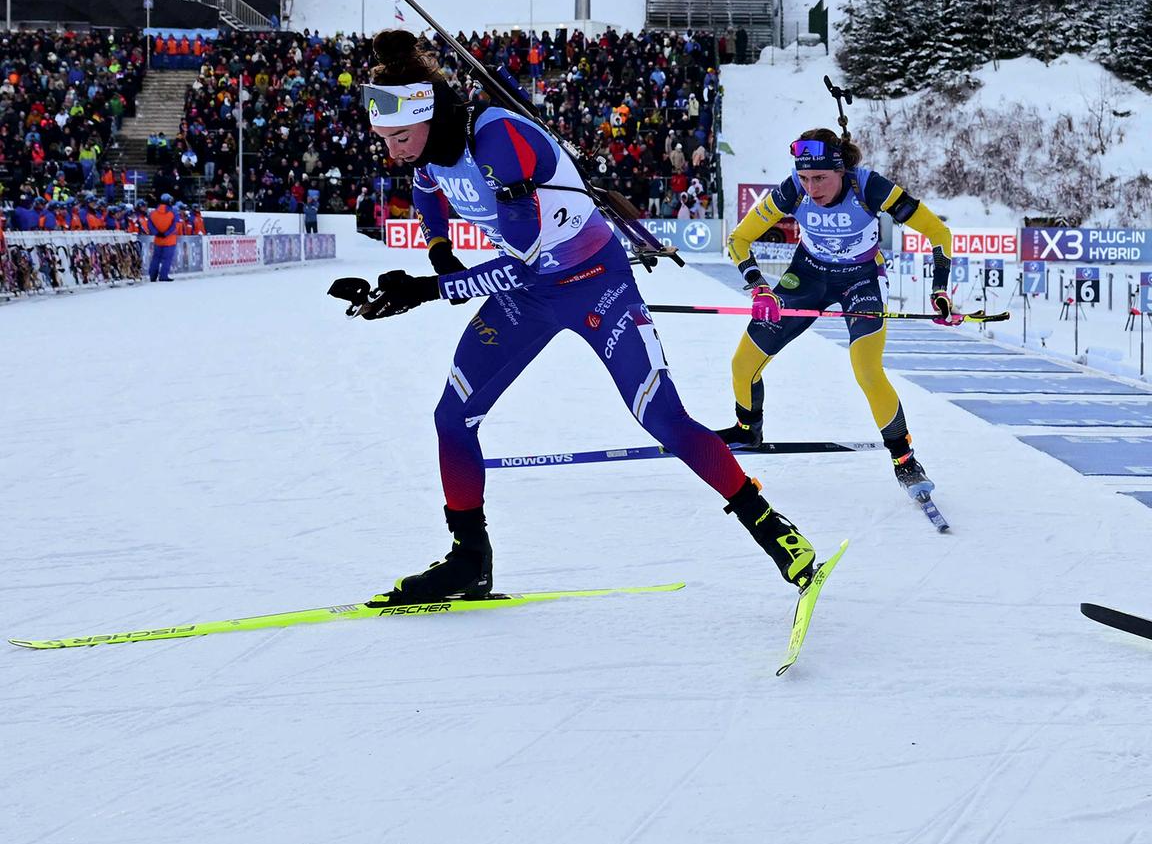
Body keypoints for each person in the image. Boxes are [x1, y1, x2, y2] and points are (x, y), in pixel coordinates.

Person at [329, 31, 825, 605]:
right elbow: (427, 188)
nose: (392, 150)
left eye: (400, 136)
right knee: (452, 417)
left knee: (663, 419)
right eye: (383, 138)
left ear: (430, 113)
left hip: (595, 286)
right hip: (532, 295)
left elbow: (521, 265)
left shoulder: (497, 140)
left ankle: (777, 534)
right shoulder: (429, 146)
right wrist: (440, 251)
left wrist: (426, 288)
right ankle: (470, 561)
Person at [718, 126, 955, 499]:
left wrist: (939, 289)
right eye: (805, 177)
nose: (811, 188)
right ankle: (748, 428)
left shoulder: (870, 187)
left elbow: (938, 232)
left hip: (861, 280)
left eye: (821, 178)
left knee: (866, 368)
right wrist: (759, 287)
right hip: (807, 277)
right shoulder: (791, 190)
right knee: (743, 362)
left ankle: (904, 459)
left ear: (841, 170)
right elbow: (739, 238)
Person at [148, 193, 179, 282]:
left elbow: (150, 225)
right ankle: (163, 276)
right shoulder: (173, 212)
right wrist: (166, 233)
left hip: (158, 239)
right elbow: (175, 226)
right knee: (167, 259)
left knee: (156, 258)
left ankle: (152, 276)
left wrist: (157, 233)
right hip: (169, 240)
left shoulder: (153, 213)